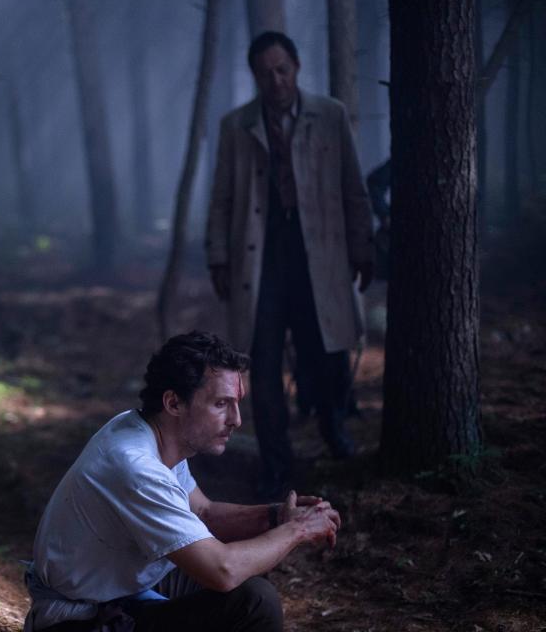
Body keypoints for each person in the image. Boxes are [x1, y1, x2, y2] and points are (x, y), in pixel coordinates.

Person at [24, 331, 342, 632]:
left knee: (253, 569)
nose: (236, 420)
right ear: (173, 403)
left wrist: (276, 518)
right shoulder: (136, 466)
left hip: (125, 589)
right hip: (82, 619)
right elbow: (222, 570)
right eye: (221, 404)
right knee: (255, 602)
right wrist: (298, 530)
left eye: (236, 403)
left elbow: (202, 512)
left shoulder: (148, 431)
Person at [205, 31, 375, 499]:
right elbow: (221, 197)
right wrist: (217, 255)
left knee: (326, 353)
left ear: (296, 67)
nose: (276, 80)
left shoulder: (330, 115)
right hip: (258, 264)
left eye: (282, 69)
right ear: (255, 77)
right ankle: (275, 464)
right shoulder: (236, 126)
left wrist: (362, 246)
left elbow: (352, 187)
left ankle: (334, 432)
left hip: (319, 258)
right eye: (266, 73)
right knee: (260, 365)